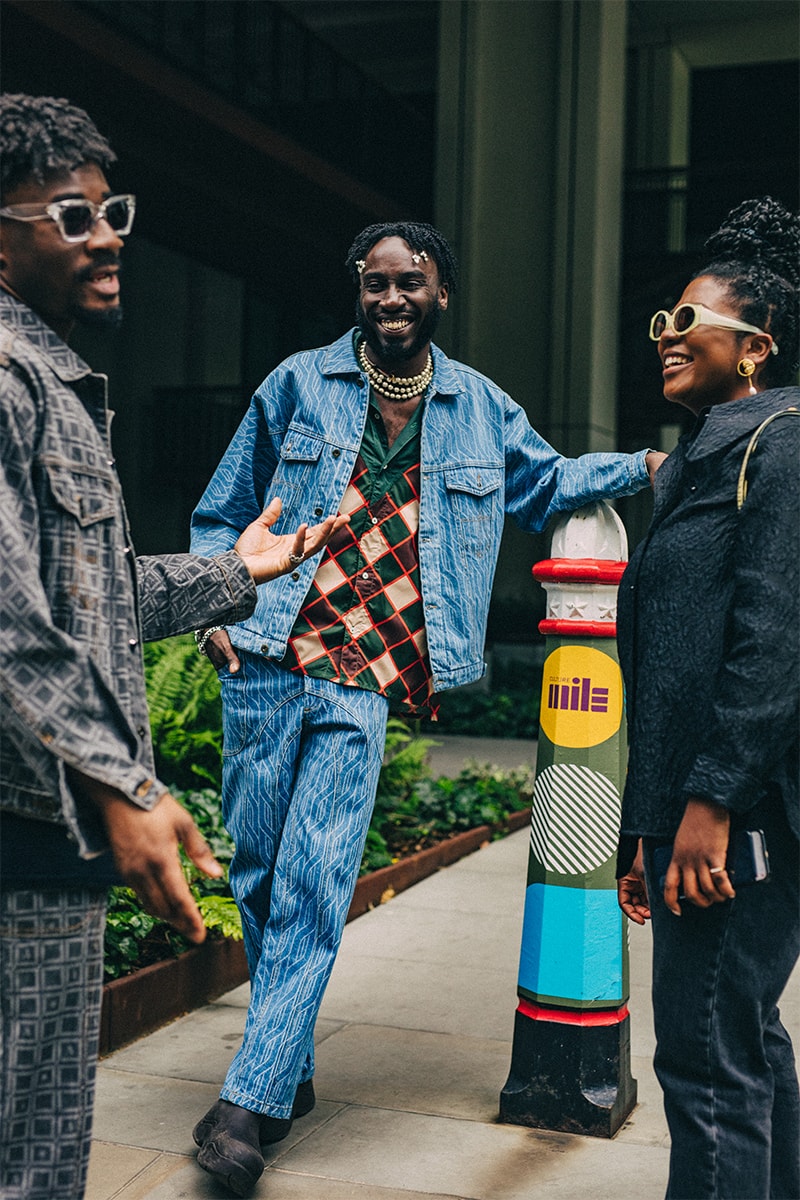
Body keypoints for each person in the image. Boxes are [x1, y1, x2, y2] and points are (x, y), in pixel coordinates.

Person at [189, 218, 666, 1194]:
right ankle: (287, 1061)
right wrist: (214, 610)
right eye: (374, 283)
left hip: (366, 676)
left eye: (409, 282)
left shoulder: (478, 408)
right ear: (357, 292)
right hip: (269, 653)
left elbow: (548, 484)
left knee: (318, 883)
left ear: (440, 292)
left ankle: (248, 1105)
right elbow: (221, 504)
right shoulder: (293, 384)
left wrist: (645, 467)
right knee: (258, 872)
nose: (391, 298)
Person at [0, 93, 344, 1200]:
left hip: (45, 834)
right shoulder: (7, 383)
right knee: (28, 1151)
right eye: (71, 215)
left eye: (112, 211)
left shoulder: (54, 384)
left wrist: (237, 573)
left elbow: (86, 600)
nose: (107, 238)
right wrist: (120, 785)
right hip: (27, 828)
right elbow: (11, 620)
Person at [616, 197, 799, 1199]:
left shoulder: (777, 448)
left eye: (685, 323)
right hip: (693, 817)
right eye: (660, 323)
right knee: (741, 1044)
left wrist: (708, 805)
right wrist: (642, 833)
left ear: (754, 347)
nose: (664, 339)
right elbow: (667, 670)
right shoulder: (703, 457)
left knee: (701, 1061)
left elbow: (771, 648)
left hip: (742, 823)